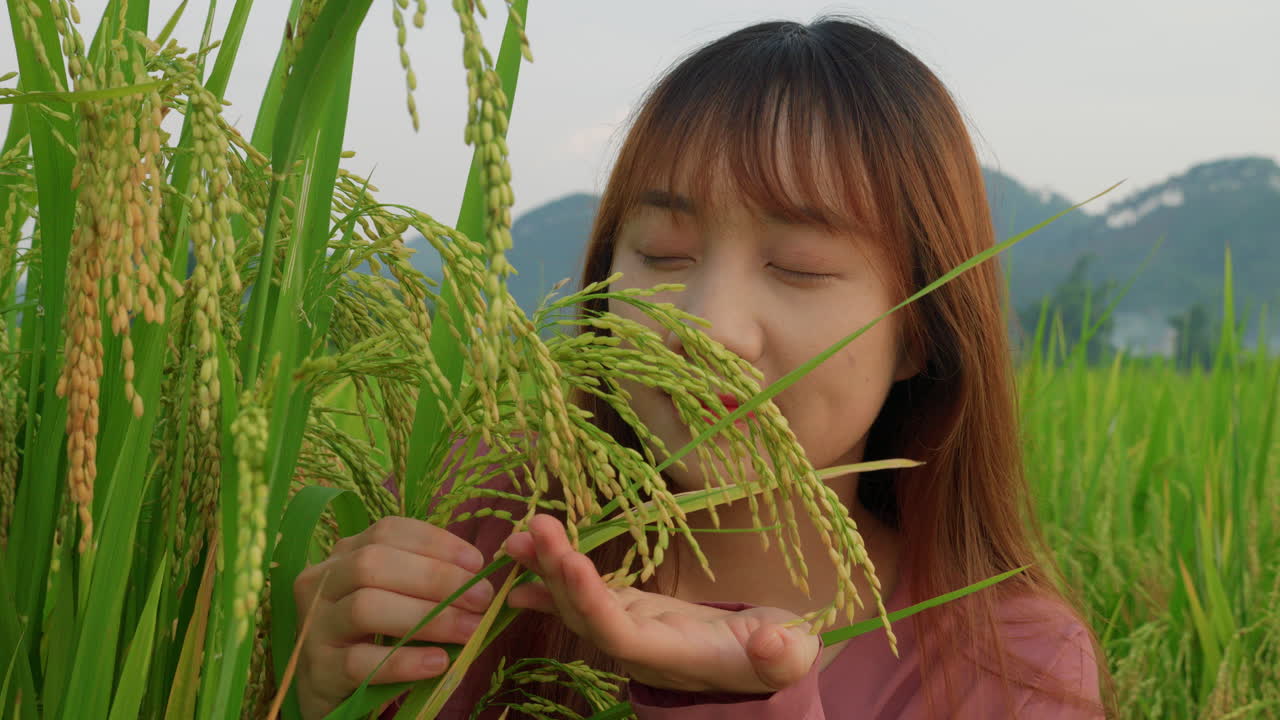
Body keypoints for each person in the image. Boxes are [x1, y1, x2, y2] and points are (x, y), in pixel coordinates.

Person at [292, 16, 1110, 720]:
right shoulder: (484, 531)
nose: (707, 327)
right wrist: (317, 692)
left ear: (920, 334)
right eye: (663, 252)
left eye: (798, 265)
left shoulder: (1014, 666)